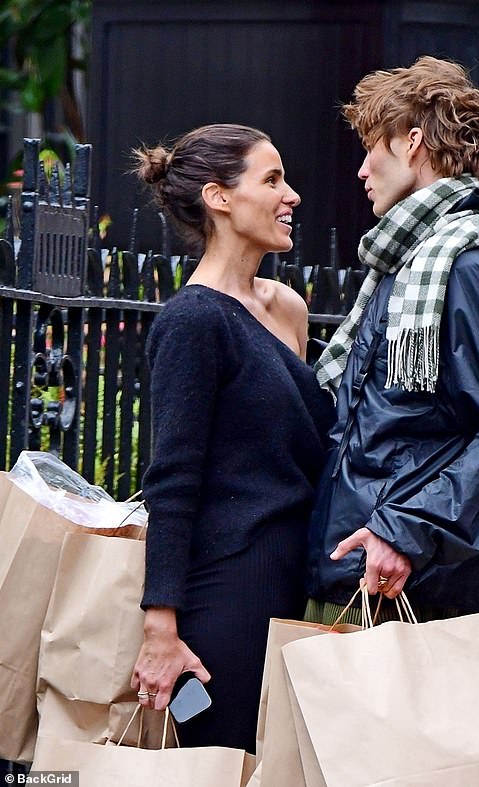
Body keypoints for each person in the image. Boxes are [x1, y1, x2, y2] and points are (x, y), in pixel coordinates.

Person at [305, 56, 479, 632]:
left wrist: (405, 531)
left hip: (418, 590)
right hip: (379, 576)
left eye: (371, 148)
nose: (363, 171)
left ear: (412, 142)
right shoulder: (413, 265)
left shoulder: (465, 269)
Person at [130, 124, 334, 752]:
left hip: (291, 585)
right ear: (220, 198)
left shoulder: (287, 308)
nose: (291, 195)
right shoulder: (192, 321)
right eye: (271, 180)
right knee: (227, 764)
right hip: (225, 595)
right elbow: (172, 477)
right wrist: (161, 626)